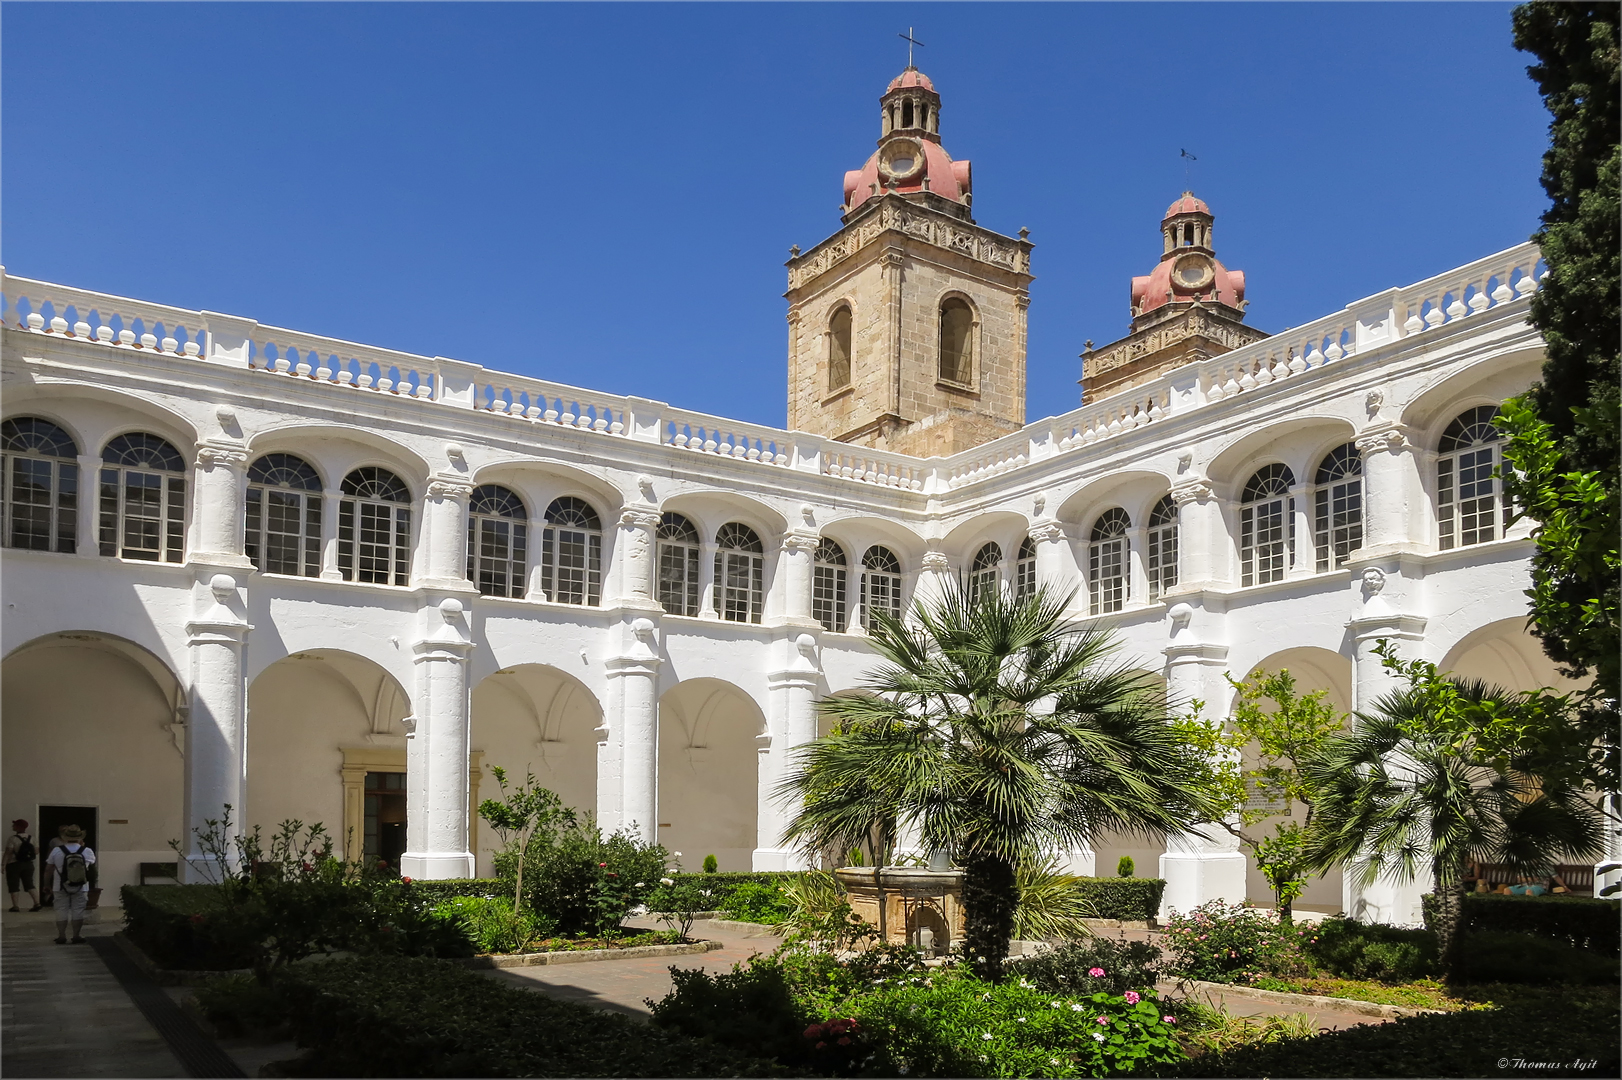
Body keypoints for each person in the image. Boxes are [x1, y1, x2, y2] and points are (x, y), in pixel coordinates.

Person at [45, 824, 95, 945]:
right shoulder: (87, 851)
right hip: (81, 886)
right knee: (78, 910)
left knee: (61, 910)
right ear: (80, 838)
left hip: (60, 885)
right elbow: (91, 869)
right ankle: (76, 935)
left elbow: (48, 869)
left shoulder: (57, 850)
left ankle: (61, 936)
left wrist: (46, 884)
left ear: (65, 837)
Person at [4, 819, 42, 912]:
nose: (13, 827)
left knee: (13, 884)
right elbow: (36, 851)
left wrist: (3, 864)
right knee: (29, 884)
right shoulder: (32, 838)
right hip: (28, 864)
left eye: (15, 825)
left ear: (18, 827)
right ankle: (37, 903)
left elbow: (8, 852)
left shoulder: (12, 838)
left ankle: (15, 906)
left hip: (14, 864)